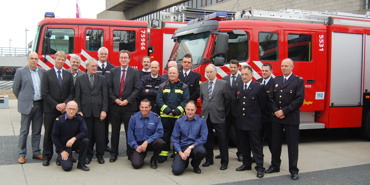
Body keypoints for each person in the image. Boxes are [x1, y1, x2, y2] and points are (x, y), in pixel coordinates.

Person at [265, 58, 305, 180]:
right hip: (277, 117)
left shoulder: (298, 81)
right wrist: (276, 111)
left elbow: (299, 100)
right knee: (275, 143)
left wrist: (284, 111)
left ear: (292, 67)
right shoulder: (276, 80)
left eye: (286, 66)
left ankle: (293, 169)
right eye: (282, 66)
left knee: (292, 145)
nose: (284, 68)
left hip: (290, 118)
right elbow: (270, 97)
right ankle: (275, 165)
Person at [41, 51, 74, 166]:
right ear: (54, 59)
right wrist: (56, 105)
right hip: (50, 109)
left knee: (64, 134)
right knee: (49, 134)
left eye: (62, 60)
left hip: (64, 110)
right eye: (58, 59)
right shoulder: (47, 74)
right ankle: (47, 156)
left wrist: (65, 104)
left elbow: (71, 92)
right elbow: (44, 93)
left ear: (65, 61)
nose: (60, 61)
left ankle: (62, 156)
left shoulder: (68, 75)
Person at [108, 50, 141, 162]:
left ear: (129, 59)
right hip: (115, 106)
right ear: (119, 59)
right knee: (115, 131)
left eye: (125, 57)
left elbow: (137, 89)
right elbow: (109, 88)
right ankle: (114, 153)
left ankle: (130, 153)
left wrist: (127, 100)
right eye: (121, 57)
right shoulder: (113, 71)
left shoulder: (135, 72)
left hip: (129, 107)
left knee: (129, 131)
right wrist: (115, 100)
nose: (123, 59)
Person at [234, 65, 266, 178]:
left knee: (256, 146)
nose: (244, 76)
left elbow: (263, 106)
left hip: (254, 123)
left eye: (246, 74)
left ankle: (260, 167)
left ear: (251, 75)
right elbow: (237, 104)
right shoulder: (238, 86)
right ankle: (246, 164)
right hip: (242, 122)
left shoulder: (258, 87)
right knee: (244, 145)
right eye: (242, 74)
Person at [13, 52, 45, 164]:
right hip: (27, 106)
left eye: (36, 59)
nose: (34, 60)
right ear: (28, 59)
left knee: (37, 131)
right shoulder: (21, 72)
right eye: (32, 58)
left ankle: (36, 152)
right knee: (24, 131)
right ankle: (21, 154)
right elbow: (16, 89)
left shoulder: (41, 71)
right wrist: (23, 100)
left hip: (39, 105)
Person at [75, 58, 108, 164]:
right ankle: (88, 155)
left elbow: (105, 96)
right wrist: (79, 110)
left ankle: (100, 155)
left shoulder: (102, 79)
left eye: (95, 66)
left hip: (99, 112)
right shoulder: (80, 79)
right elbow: (77, 96)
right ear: (87, 67)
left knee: (100, 135)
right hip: (85, 112)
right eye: (92, 66)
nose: (94, 68)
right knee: (87, 135)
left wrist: (104, 110)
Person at [200, 64, 231, 170]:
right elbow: (203, 98)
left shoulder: (223, 84)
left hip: (219, 116)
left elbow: (228, 100)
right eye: (207, 72)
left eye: (211, 72)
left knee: (222, 140)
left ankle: (224, 162)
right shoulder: (203, 85)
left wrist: (222, 112)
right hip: (206, 116)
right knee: (208, 140)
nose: (209, 74)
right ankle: (209, 159)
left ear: (215, 72)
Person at [156, 66, 189, 163]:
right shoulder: (162, 86)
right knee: (165, 135)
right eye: (170, 73)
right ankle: (164, 154)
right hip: (165, 117)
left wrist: (176, 111)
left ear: (178, 74)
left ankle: (176, 153)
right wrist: (167, 110)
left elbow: (185, 100)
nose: (172, 75)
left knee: (178, 135)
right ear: (168, 74)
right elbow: (159, 100)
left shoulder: (184, 87)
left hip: (178, 117)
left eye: (174, 73)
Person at [171, 100, 208, 175]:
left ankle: (195, 165)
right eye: (188, 109)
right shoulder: (179, 121)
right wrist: (180, 152)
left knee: (202, 151)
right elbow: (175, 139)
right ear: (185, 109)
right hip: (182, 148)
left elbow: (203, 138)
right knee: (176, 171)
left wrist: (190, 147)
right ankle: (184, 162)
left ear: (196, 110)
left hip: (195, 146)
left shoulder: (201, 121)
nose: (190, 112)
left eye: (192, 110)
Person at [52, 101, 90, 171]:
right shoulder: (59, 120)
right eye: (69, 109)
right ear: (66, 109)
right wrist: (61, 151)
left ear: (77, 110)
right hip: (64, 146)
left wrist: (74, 138)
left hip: (74, 143)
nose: (71, 111)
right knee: (67, 167)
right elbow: (54, 137)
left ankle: (81, 163)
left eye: (73, 109)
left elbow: (84, 132)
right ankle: (60, 156)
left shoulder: (79, 118)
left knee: (85, 141)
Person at [127, 99, 165, 169]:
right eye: (142, 107)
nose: (144, 109)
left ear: (150, 107)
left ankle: (154, 159)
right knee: (136, 164)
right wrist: (136, 147)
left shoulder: (156, 117)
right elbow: (130, 135)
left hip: (150, 143)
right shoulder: (134, 118)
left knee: (160, 142)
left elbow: (160, 132)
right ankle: (140, 156)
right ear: (139, 107)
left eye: (146, 107)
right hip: (139, 145)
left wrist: (147, 141)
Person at [218, 59, 243, 162]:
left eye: (234, 67)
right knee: (224, 134)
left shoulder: (242, 78)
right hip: (227, 111)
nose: (232, 69)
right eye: (231, 67)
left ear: (238, 68)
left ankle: (240, 153)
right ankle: (222, 152)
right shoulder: (224, 79)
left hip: (237, 112)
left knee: (239, 134)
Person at [96, 47, 115, 152]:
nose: (103, 56)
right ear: (98, 55)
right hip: (95, 100)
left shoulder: (112, 68)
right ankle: (96, 144)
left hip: (108, 101)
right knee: (96, 124)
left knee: (106, 123)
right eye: (101, 54)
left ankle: (104, 144)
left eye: (105, 54)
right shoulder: (93, 66)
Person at [256, 63, 275, 156]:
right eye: (262, 70)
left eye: (266, 71)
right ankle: (258, 157)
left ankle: (275, 161)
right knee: (258, 140)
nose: (264, 72)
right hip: (259, 118)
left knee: (271, 141)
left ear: (271, 71)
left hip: (269, 118)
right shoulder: (258, 81)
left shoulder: (274, 83)